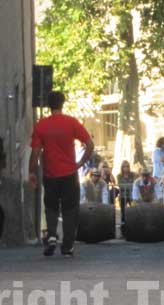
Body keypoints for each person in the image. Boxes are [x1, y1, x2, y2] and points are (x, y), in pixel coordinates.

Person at [29, 91, 94, 257]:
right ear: (62, 103)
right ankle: (67, 246)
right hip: (69, 173)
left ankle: (51, 235)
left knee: (50, 206)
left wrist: (32, 172)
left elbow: (35, 153)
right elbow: (89, 144)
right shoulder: (71, 123)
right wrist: (80, 163)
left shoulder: (41, 125)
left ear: (48, 105)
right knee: (70, 209)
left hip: (50, 174)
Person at [116, 160, 137, 227]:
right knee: (123, 212)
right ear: (122, 167)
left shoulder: (133, 175)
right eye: (124, 167)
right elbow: (120, 186)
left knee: (133, 211)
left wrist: (127, 186)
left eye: (127, 166)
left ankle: (133, 226)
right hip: (122, 195)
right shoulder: (119, 176)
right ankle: (123, 227)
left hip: (131, 195)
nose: (126, 168)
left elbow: (134, 184)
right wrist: (129, 185)